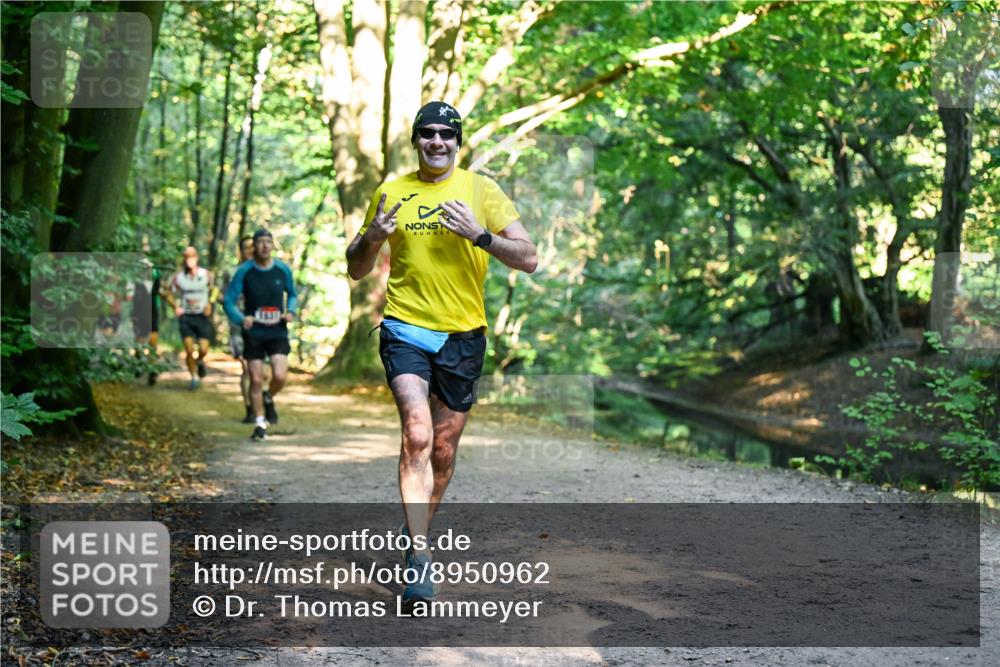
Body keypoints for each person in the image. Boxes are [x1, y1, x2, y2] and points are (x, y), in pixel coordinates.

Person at [345, 101, 537, 607]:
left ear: (458, 141)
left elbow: (530, 258)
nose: (436, 142)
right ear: (416, 140)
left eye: (446, 135)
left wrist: (480, 234)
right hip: (406, 327)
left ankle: (416, 540)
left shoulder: (482, 191)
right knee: (417, 433)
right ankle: (421, 555)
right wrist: (372, 237)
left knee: (444, 450)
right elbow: (357, 269)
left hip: (463, 336)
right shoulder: (391, 192)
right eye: (427, 133)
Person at [223, 228, 298, 441]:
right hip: (254, 332)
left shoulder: (282, 270)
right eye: (260, 242)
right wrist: (241, 318)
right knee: (255, 379)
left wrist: (290, 311)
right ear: (253, 246)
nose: (264, 246)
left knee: (280, 376)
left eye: (268, 241)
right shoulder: (244, 271)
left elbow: (292, 294)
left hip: (277, 331)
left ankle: (268, 396)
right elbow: (228, 300)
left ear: (272, 245)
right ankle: (259, 423)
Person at [166, 246, 213, 390]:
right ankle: (193, 377)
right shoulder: (178, 278)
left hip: (202, 316)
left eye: (192, 256)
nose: (189, 259)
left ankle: (199, 362)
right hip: (186, 316)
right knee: (188, 349)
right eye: (186, 256)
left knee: (204, 349)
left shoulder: (206, 274)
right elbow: (168, 293)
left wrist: (210, 303)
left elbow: (215, 289)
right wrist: (175, 307)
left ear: (197, 257)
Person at [220, 236, 256, 422]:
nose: (250, 250)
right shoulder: (231, 272)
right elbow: (222, 297)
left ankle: (259, 403)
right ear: (240, 251)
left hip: (261, 326)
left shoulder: (264, 270)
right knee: (247, 367)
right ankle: (250, 408)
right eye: (246, 247)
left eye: (252, 247)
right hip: (238, 326)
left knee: (259, 371)